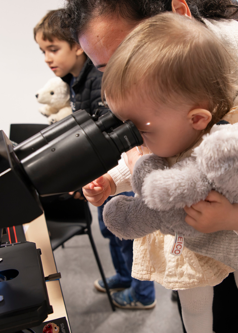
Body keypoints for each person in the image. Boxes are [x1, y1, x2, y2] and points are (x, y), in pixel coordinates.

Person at [62, 0, 238, 332]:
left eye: (130, 56)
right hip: (192, 249)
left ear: (179, 14)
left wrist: (216, 217)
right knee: (195, 307)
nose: (120, 78)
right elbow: (146, 159)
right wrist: (115, 179)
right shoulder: (162, 106)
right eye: (104, 69)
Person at [102, 13, 238, 333]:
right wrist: (108, 182)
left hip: (234, 238)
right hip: (187, 244)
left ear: (197, 119)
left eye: (138, 129)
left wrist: (236, 216)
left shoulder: (229, 143)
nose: (132, 138)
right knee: (194, 305)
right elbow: (139, 166)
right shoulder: (159, 135)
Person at [34, 9, 156, 310]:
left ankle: (143, 294)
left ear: (78, 45)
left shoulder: (99, 77)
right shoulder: (72, 81)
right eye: (42, 51)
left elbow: (102, 129)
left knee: (130, 233)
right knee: (111, 230)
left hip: (118, 167)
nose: (48, 58)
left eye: (54, 49)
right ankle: (124, 276)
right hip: (101, 172)